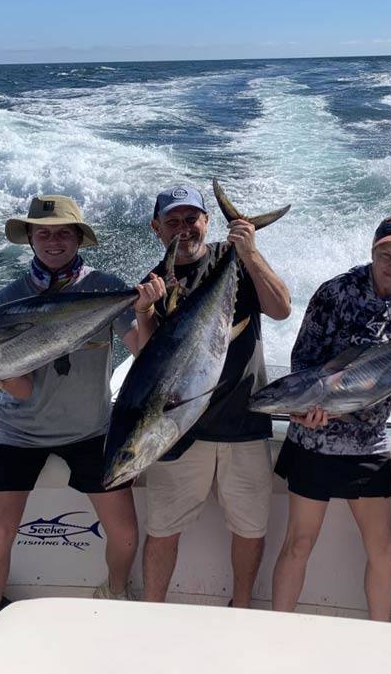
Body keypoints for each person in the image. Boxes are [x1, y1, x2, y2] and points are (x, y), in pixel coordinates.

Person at [0, 195, 156, 641]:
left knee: (126, 533)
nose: (54, 241)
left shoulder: (106, 287)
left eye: (63, 233)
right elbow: (24, 388)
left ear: (78, 239)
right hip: (21, 432)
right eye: (44, 233)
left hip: (91, 430)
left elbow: (144, 354)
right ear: (30, 239)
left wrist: (146, 308)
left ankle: (114, 593)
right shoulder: (8, 298)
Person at [270, 216, 391, 621]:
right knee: (299, 544)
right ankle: (278, 632)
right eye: (384, 255)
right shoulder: (335, 293)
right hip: (315, 442)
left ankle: (380, 637)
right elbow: (303, 361)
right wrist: (302, 413)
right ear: (372, 252)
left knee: (382, 548)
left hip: (369, 442)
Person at [134, 184, 290, 607]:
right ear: (156, 227)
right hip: (180, 430)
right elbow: (148, 358)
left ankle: (240, 607)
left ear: (207, 221)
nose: (184, 229)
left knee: (250, 529)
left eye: (192, 219)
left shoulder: (235, 259)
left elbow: (281, 309)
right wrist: (144, 310)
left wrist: (252, 252)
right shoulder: (154, 281)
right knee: (163, 529)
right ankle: (152, 612)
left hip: (245, 421)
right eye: (173, 221)